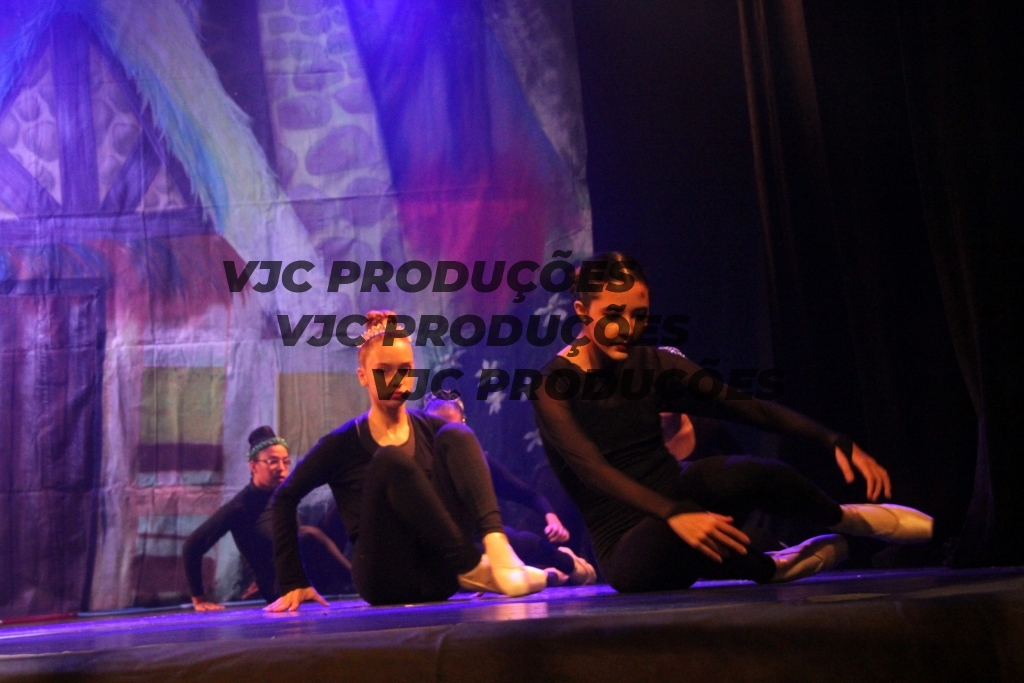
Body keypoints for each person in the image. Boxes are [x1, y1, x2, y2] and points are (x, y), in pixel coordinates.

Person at [530, 252, 933, 593]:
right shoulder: (553, 385)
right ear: (583, 312)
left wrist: (830, 438)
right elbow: (592, 469)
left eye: (640, 315)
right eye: (613, 314)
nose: (628, 328)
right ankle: (771, 567)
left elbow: (744, 407)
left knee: (749, 472)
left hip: (678, 494)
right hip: (627, 545)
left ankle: (846, 518)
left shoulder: (652, 364)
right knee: (677, 538)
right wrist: (673, 513)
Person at [267, 311, 549, 610]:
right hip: (384, 578)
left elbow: (485, 480)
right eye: (383, 370)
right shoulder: (342, 444)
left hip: (442, 576)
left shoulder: (435, 431)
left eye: (404, 369)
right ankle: (474, 565)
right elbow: (284, 498)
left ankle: (497, 548)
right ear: (363, 376)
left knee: (457, 433)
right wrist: (293, 580)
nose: (395, 380)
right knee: (390, 460)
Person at [423, 394, 597, 586]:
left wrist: (551, 517)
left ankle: (567, 562)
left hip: (476, 538)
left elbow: (528, 495)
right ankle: (548, 576)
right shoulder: (419, 463)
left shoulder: (474, 462)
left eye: (452, 429)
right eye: (438, 429)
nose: (445, 439)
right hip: (446, 547)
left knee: (522, 543)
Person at [182, 427, 350, 610]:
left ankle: (366, 568)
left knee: (342, 503)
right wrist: (199, 599)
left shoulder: (284, 494)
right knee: (307, 535)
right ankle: (358, 579)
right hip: (280, 588)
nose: (281, 468)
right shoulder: (240, 507)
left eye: (286, 462)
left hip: (305, 571)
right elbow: (192, 546)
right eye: (273, 461)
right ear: (253, 466)